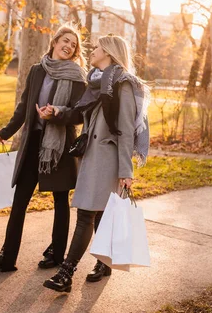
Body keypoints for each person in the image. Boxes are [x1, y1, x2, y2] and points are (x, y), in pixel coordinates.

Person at [37, 34, 150, 292]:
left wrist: (125, 170)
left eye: (97, 47)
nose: (92, 50)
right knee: (97, 212)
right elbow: (79, 113)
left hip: (108, 160)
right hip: (91, 156)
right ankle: (104, 263)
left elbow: (124, 131)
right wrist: (57, 111)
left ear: (108, 52)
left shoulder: (122, 85)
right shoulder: (96, 83)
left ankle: (66, 273)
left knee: (86, 213)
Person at [0, 24, 87, 272]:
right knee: (19, 202)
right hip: (33, 145)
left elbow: (79, 115)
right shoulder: (36, 71)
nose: (69, 46)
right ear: (54, 42)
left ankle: (56, 255)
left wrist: (57, 113)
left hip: (59, 148)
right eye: (65, 40)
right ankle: (7, 257)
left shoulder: (77, 77)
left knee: (60, 202)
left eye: (73, 44)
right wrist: (6, 132)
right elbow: (24, 106)